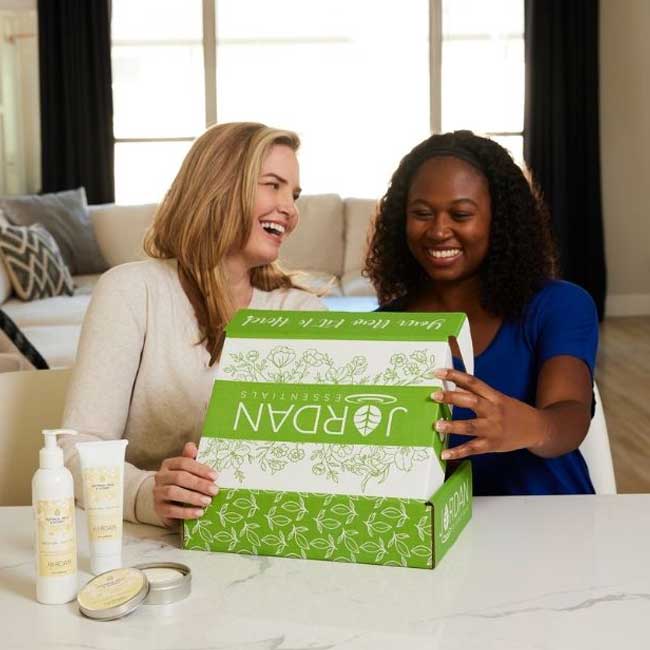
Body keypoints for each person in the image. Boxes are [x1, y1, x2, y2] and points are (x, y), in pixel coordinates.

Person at [60, 123, 325, 527]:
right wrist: (147, 493)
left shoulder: (302, 313)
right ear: (220, 186)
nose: (290, 209)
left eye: (295, 194)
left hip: (265, 535)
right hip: (143, 539)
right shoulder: (132, 291)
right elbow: (77, 448)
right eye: (273, 185)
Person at [364, 130, 598, 495]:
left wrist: (531, 426)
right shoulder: (383, 328)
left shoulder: (558, 305)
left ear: (499, 220)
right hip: (435, 524)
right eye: (422, 214)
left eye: (461, 214)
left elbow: (571, 414)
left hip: (553, 518)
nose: (438, 231)